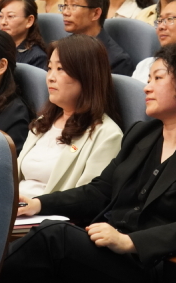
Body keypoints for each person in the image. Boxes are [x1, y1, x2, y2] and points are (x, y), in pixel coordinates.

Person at [0, 40, 176, 283]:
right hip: (111, 264)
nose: (146, 87)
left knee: (55, 236)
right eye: (148, 79)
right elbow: (101, 190)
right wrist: (40, 204)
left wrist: (131, 242)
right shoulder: (143, 134)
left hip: (153, 275)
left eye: (157, 78)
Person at [16, 34, 123, 197]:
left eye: (60, 69)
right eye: (49, 68)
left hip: (48, 211)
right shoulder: (44, 121)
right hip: (15, 205)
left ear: (86, 75)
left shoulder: (107, 135)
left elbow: (88, 199)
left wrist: (36, 206)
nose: (50, 78)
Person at [61, 0, 134, 76]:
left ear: (96, 13)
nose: (65, 12)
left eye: (74, 5)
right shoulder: (62, 48)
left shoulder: (116, 61)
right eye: (65, 5)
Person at [0, 0, 47, 69]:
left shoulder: (37, 57)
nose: (3, 22)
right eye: (1, 16)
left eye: (10, 16)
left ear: (29, 21)